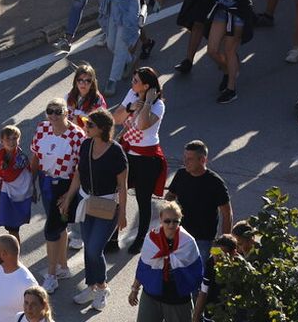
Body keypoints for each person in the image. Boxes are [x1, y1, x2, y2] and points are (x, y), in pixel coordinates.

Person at [57, 111, 127, 313]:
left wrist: (122, 214)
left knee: (95, 249)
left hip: (107, 206)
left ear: (103, 129)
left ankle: (102, 288)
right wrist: (68, 198)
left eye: (90, 125)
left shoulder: (116, 152)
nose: (85, 127)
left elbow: (123, 186)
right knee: (89, 247)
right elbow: (78, 174)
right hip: (86, 202)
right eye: (86, 123)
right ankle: (91, 287)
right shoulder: (86, 144)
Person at [29, 98, 83, 293]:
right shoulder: (42, 128)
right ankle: (63, 267)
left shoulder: (77, 135)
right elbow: (36, 157)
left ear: (66, 113)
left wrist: (69, 195)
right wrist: (32, 183)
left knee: (52, 229)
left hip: (64, 185)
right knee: (59, 226)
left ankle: (51, 275)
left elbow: (80, 170)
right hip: (46, 182)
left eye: (57, 111)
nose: (52, 115)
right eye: (49, 111)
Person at [112, 68, 167, 253]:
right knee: (117, 193)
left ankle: (141, 238)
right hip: (128, 153)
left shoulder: (158, 105)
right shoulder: (132, 94)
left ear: (146, 86)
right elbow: (116, 118)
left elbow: (143, 125)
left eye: (136, 81)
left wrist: (147, 102)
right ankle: (112, 236)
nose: (132, 83)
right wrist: (130, 108)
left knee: (143, 200)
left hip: (147, 159)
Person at [126, 201, 204, 322]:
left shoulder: (188, 242)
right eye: (167, 221)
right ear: (161, 220)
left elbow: (196, 273)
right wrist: (134, 289)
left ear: (180, 221)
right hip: (151, 295)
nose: (171, 225)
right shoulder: (151, 239)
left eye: (175, 221)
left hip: (177, 299)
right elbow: (144, 267)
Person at [165, 141, 231, 272]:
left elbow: (227, 213)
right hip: (180, 234)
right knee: (175, 270)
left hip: (203, 239)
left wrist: (225, 242)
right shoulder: (181, 174)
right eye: (184, 157)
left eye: (190, 159)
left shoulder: (215, 183)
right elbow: (170, 195)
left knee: (198, 274)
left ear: (202, 160)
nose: (185, 162)